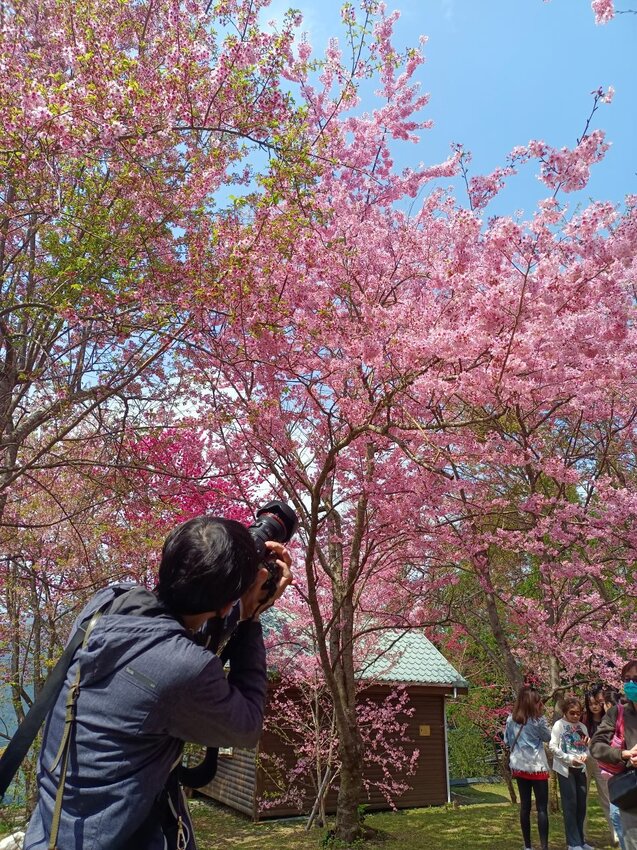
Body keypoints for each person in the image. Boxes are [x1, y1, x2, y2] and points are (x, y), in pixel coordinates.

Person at [23, 515, 294, 850]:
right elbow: (247, 726)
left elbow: (171, 635)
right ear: (227, 605)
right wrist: (250, 618)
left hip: (50, 830)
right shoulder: (184, 667)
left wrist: (229, 597)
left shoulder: (109, 601)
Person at [591, 662, 637, 850]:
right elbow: (596, 746)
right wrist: (623, 754)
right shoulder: (616, 713)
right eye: (627, 680)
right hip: (632, 797)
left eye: (636, 679)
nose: (631, 684)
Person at [504, 684, 551, 850]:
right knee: (541, 808)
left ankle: (528, 846)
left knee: (525, 807)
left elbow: (507, 741)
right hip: (537, 767)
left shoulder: (511, 720)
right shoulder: (539, 721)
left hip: (520, 766)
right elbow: (547, 737)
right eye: (538, 702)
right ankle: (544, 846)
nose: (540, 704)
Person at [550, 696, 593, 850]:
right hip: (565, 769)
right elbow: (553, 746)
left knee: (581, 805)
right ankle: (572, 843)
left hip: (581, 768)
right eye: (572, 713)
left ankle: (580, 840)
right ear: (565, 712)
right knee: (570, 804)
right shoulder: (559, 725)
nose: (575, 716)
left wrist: (585, 755)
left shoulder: (582, 726)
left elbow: (588, 747)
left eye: (578, 713)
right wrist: (569, 759)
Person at [584, 683, 619, 846]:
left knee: (607, 797)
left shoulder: (608, 719)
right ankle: (581, 835)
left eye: (597, 703)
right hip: (584, 761)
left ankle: (616, 834)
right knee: (582, 799)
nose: (594, 707)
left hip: (602, 762)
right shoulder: (584, 720)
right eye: (591, 704)